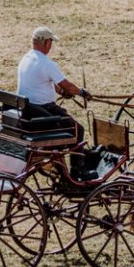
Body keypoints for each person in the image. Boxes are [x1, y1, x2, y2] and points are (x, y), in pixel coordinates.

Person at [17, 26, 92, 175]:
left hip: (28, 111)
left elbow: (44, 82)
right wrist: (82, 93)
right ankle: (77, 170)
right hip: (43, 112)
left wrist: (59, 91)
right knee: (77, 129)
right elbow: (68, 86)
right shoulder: (47, 63)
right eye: (51, 42)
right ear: (45, 42)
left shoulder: (26, 59)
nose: (51, 45)